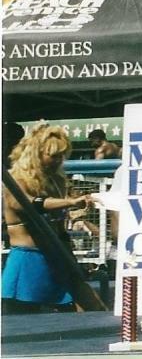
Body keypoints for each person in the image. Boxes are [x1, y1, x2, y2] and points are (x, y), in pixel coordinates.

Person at [2, 123, 92, 312]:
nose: (59, 160)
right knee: (21, 324)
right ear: (37, 153)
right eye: (53, 156)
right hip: (27, 261)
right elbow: (30, 204)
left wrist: (72, 260)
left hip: (57, 258)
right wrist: (70, 202)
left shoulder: (57, 180)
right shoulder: (15, 179)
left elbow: (59, 228)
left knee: (85, 312)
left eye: (62, 156)